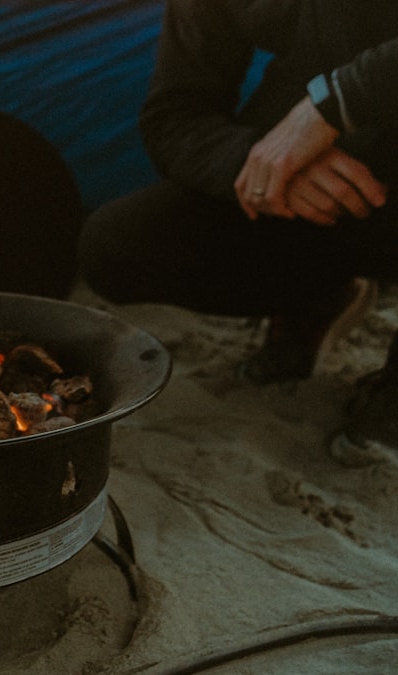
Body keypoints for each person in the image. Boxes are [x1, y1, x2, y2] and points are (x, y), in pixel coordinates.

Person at [78, 0, 397, 465]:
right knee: (116, 245)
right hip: (314, 178)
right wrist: (260, 163)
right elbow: (173, 113)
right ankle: (317, 297)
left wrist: (334, 103)